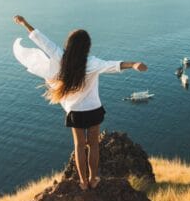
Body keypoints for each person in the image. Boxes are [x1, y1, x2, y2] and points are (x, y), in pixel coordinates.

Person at [12, 15, 148, 190]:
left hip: (75, 112)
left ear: (69, 44)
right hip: (94, 110)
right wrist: (134, 64)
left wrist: (24, 23)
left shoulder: (61, 57)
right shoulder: (92, 63)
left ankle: (83, 182)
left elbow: (43, 41)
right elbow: (114, 65)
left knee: (79, 146)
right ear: (87, 47)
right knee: (94, 145)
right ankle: (93, 179)